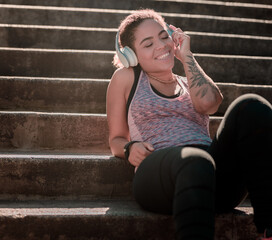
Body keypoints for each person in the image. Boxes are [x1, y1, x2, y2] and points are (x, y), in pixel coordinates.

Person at [106, 9, 272, 240]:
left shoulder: (190, 80)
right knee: (195, 160)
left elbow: (209, 104)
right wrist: (129, 148)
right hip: (161, 173)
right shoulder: (127, 78)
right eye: (147, 43)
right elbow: (115, 140)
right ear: (130, 56)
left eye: (164, 36)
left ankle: (269, 230)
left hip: (213, 176)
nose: (161, 45)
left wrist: (186, 56)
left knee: (251, 105)